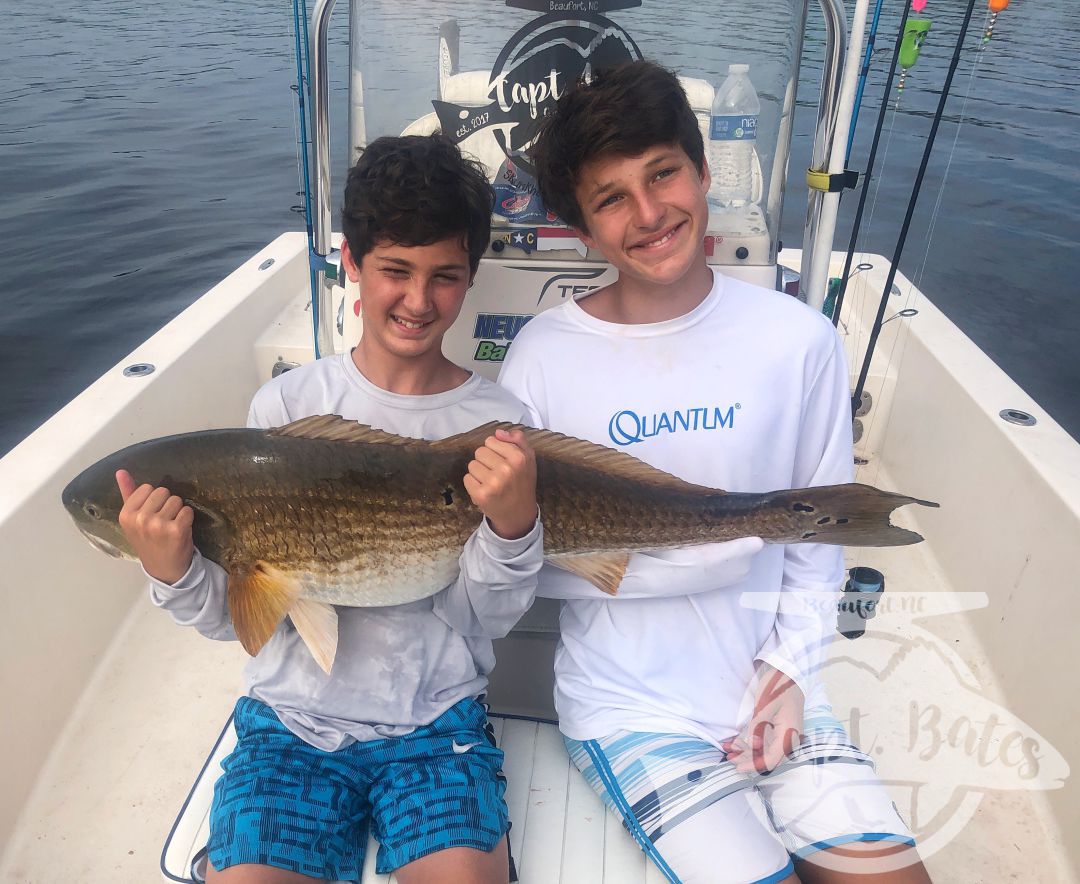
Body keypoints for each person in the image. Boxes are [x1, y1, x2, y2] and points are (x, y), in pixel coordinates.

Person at [498, 61, 931, 884]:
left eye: (663, 174)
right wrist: (711, 552)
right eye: (611, 197)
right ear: (582, 231)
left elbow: (819, 535)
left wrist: (791, 672)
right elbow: (527, 567)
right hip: (629, 707)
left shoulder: (798, 340)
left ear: (704, 173)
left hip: (772, 678)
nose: (650, 212)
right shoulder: (542, 360)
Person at [115, 134, 542, 884]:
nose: (417, 299)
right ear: (351, 262)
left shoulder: (496, 423)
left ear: (470, 277)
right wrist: (176, 571)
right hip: (290, 724)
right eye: (395, 271)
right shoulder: (285, 408)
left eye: (444, 276)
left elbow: (483, 617)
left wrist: (513, 526)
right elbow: (241, 616)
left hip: (437, 722)